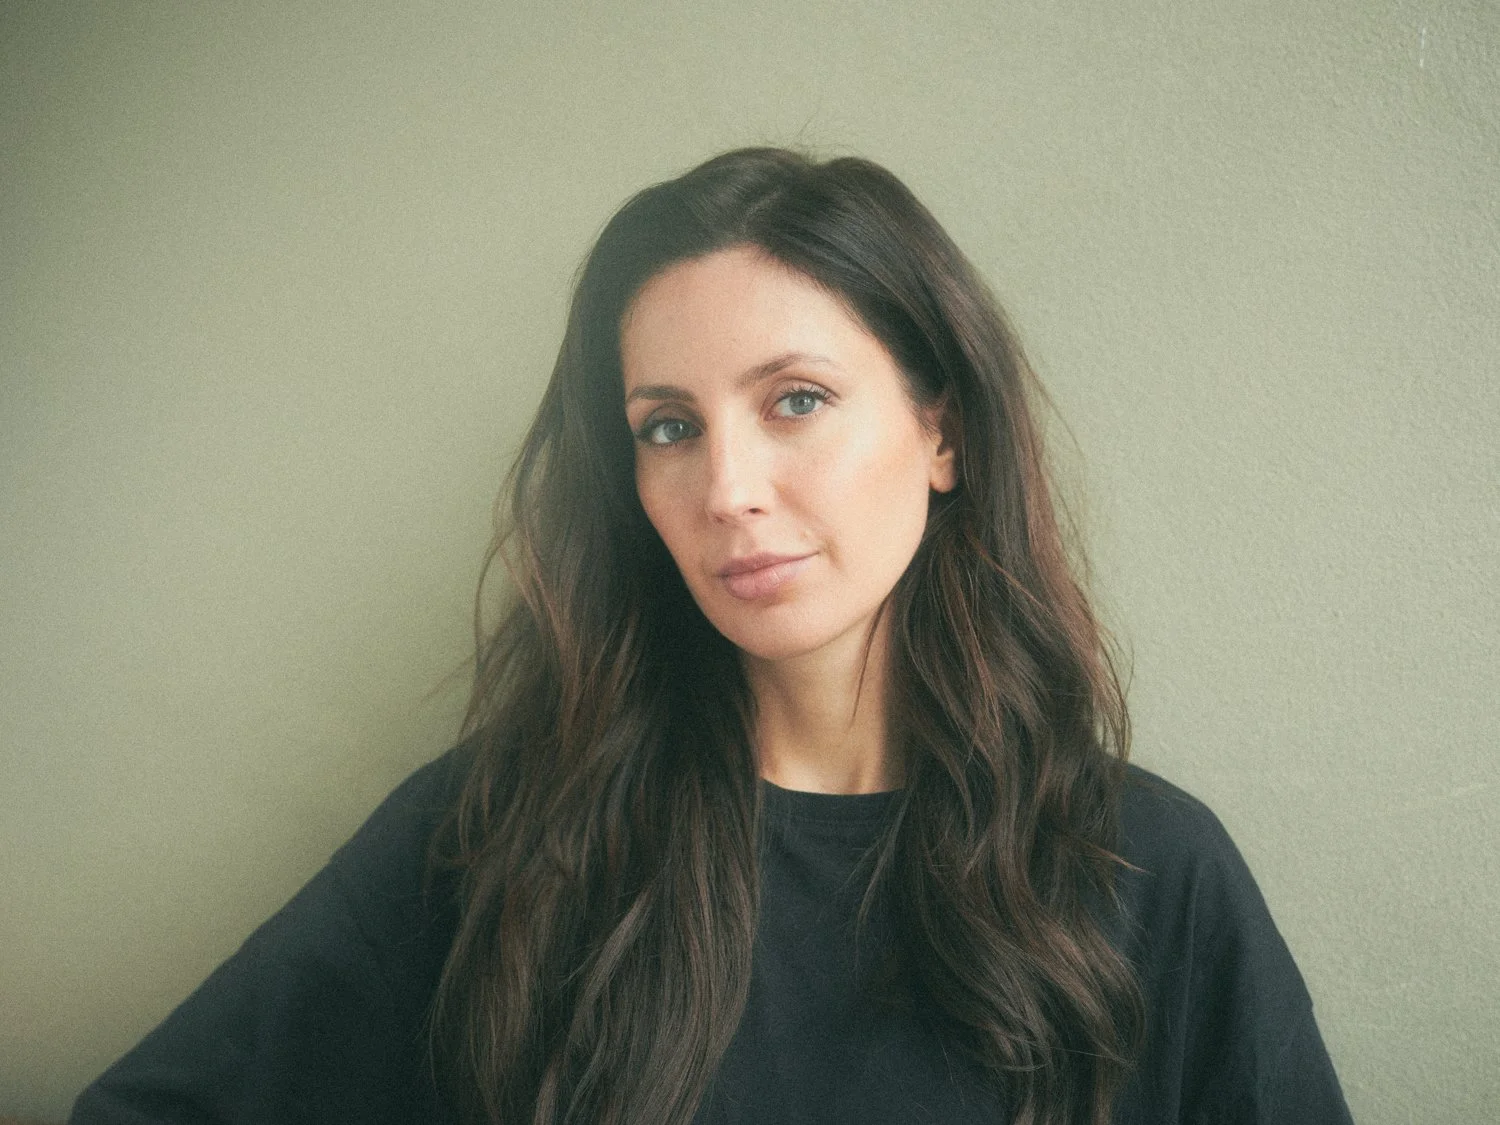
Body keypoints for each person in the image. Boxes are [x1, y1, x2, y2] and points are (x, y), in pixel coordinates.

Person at [70, 148, 1353, 1125]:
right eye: (668, 426)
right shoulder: (502, 831)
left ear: (944, 432)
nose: (727, 486)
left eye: (796, 401)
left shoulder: (1146, 872)